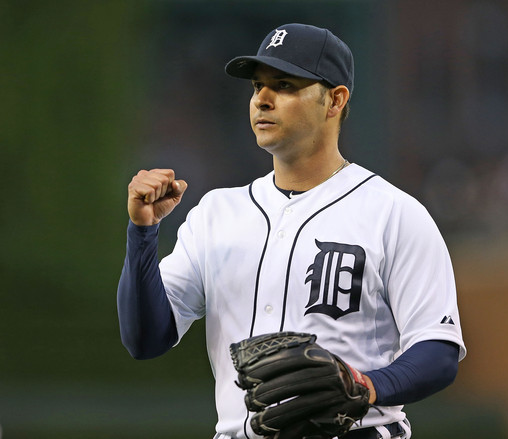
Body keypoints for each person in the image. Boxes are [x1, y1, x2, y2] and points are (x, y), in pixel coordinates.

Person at [117, 23, 466, 439]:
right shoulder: (216, 213)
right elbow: (145, 337)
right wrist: (142, 233)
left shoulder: (393, 213)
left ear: (335, 100)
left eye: (283, 85)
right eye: (257, 86)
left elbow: (438, 351)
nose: (262, 99)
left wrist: (368, 386)